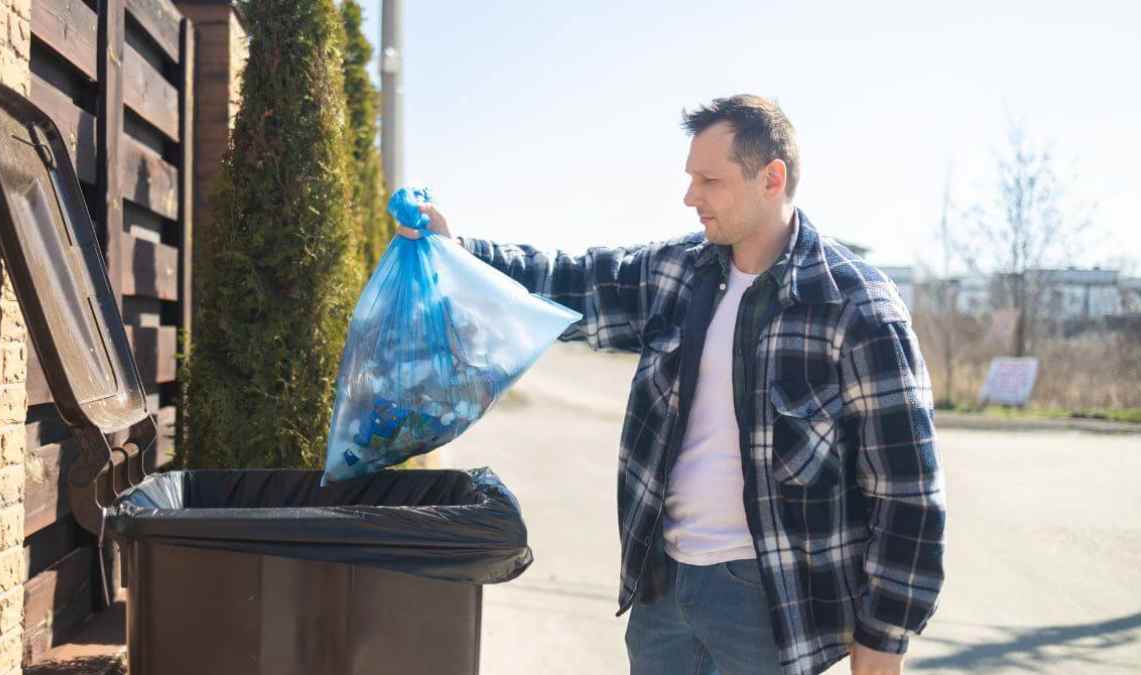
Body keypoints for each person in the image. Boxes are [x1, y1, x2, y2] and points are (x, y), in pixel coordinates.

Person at [399, 95, 945, 675]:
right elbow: (568, 280)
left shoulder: (855, 306)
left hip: (768, 606)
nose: (691, 197)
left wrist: (884, 638)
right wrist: (458, 252)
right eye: (691, 178)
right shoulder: (678, 272)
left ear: (771, 177)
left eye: (709, 179)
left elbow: (908, 490)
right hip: (662, 591)